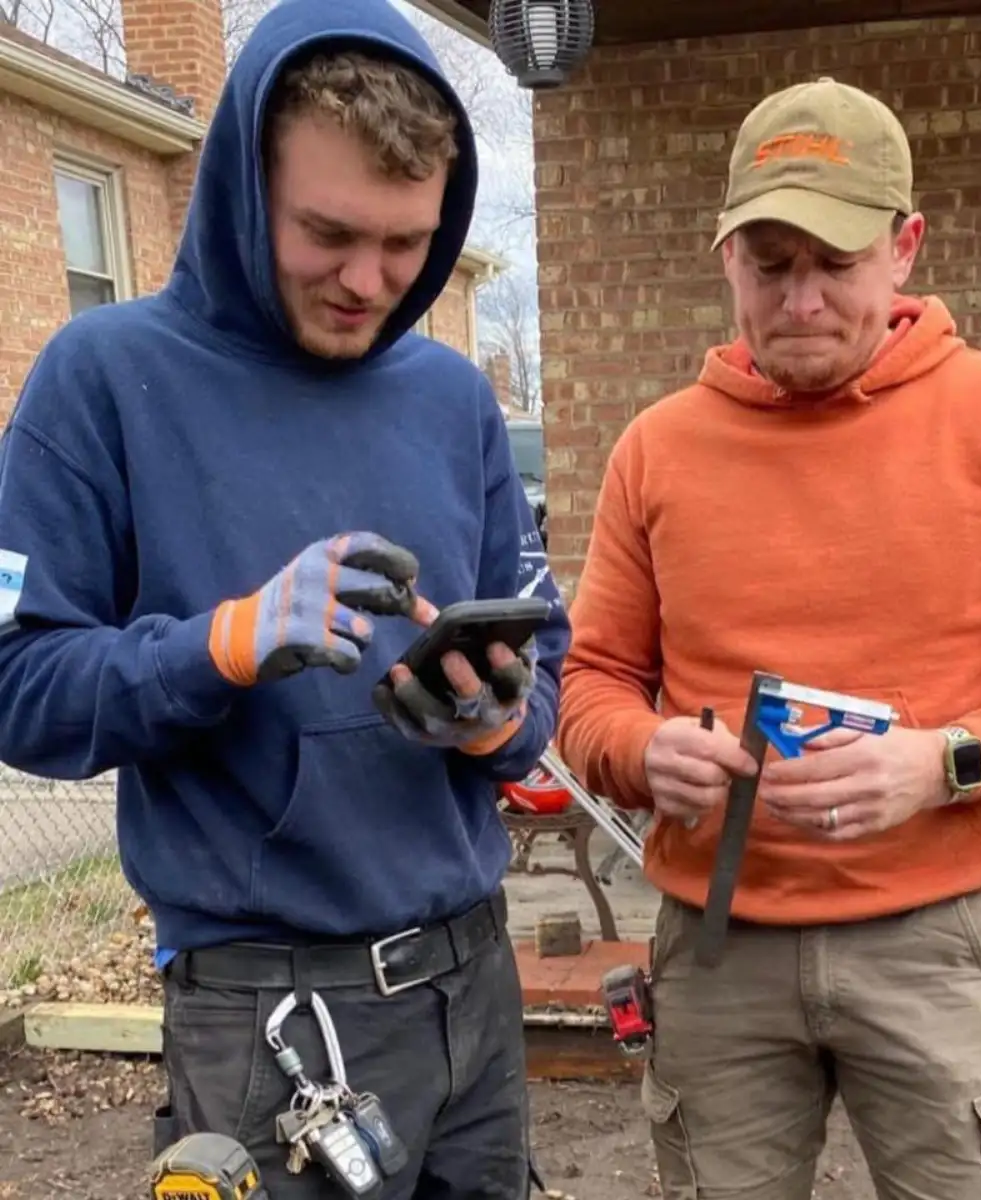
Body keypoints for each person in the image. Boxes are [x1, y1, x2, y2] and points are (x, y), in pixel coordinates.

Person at [555, 76, 981, 1200]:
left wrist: (945, 763)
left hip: (935, 942)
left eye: (834, 265)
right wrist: (641, 752)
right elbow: (590, 683)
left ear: (905, 249)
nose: (799, 302)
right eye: (771, 263)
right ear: (725, 255)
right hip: (716, 942)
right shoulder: (656, 450)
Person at [0, 0, 569, 1195]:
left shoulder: (454, 400)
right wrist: (225, 643)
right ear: (239, 186)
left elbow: (543, 663)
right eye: (329, 232)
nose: (369, 282)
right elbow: (19, 690)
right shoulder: (100, 382)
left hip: (472, 984)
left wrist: (500, 719)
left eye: (407, 244)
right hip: (268, 1018)